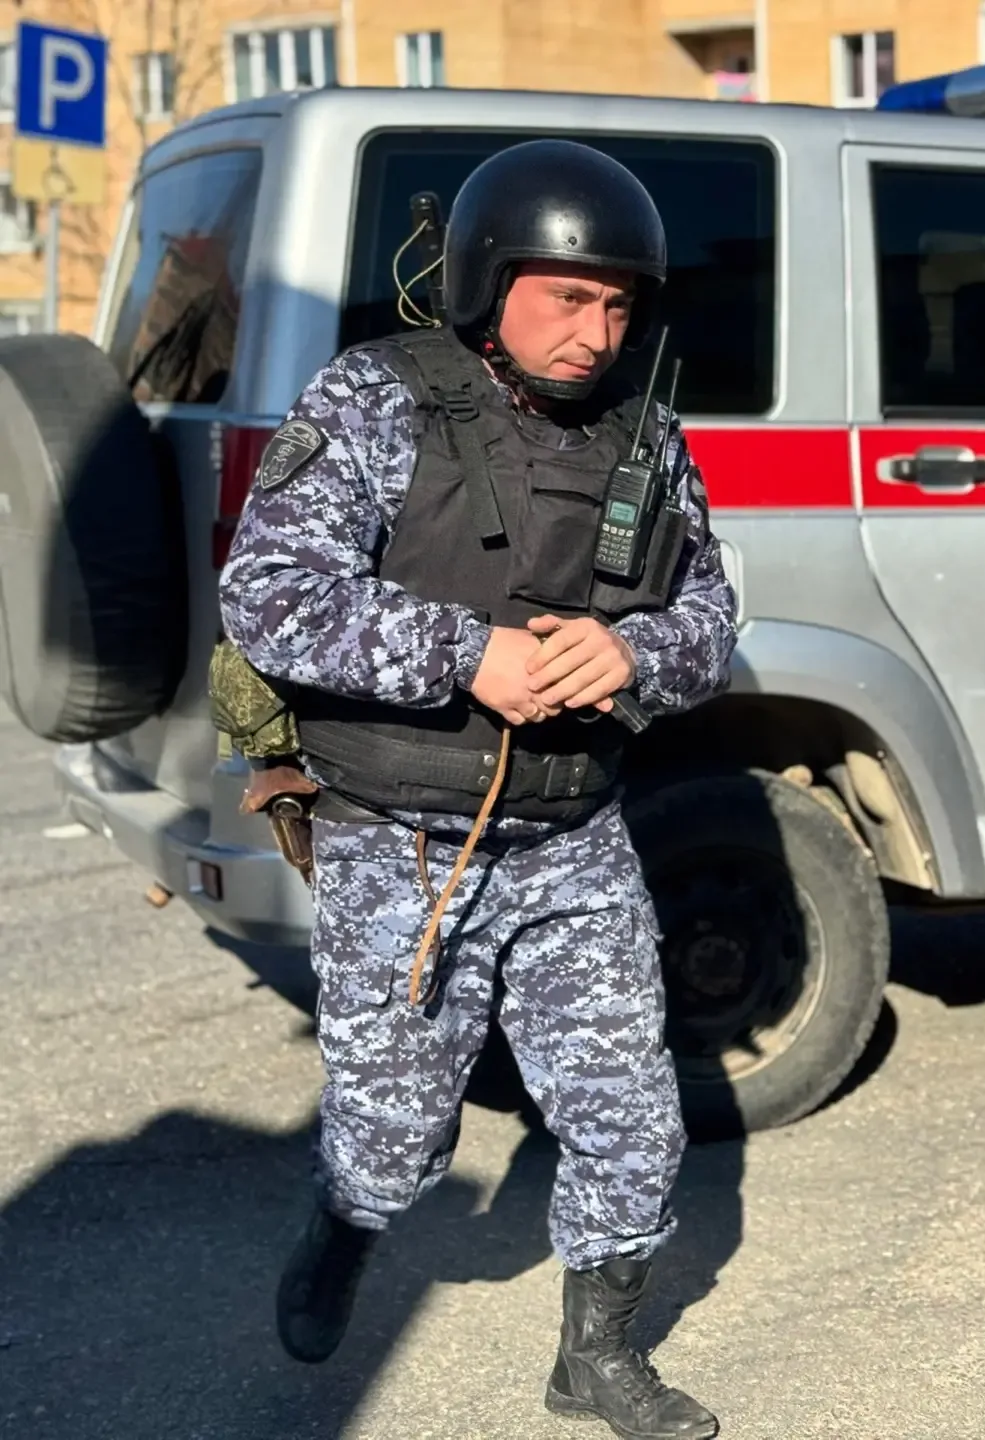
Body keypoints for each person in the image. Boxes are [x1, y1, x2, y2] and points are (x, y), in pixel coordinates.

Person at [218, 139, 734, 1439]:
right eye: (567, 297)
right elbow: (267, 596)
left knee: (632, 1120)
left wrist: (636, 652)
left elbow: (713, 616)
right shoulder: (376, 399)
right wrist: (468, 653)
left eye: (617, 303)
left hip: (575, 835)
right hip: (405, 839)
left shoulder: (647, 431)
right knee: (394, 1132)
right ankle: (345, 1227)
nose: (595, 331)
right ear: (487, 283)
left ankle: (596, 1357)